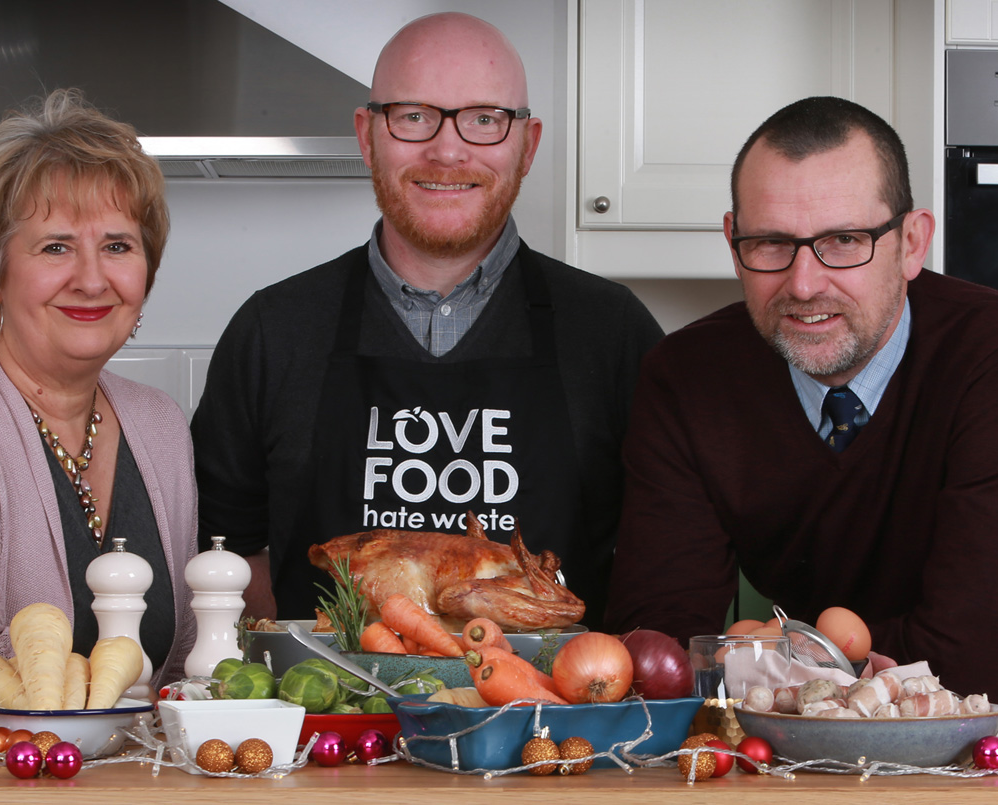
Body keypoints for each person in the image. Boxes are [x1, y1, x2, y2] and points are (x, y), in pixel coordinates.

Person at [606, 96, 998, 701]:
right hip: (815, 749)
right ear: (733, 244)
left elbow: (971, 654)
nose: (804, 284)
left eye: (844, 240)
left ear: (912, 243)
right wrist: (804, 668)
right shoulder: (686, 377)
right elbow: (658, 653)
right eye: (771, 244)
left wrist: (762, 662)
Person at [191, 12, 662, 626]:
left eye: (484, 119)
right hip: (333, 718)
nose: (446, 149)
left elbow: (661, 556)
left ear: (528, 144)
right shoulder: (273, 332)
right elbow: (231, 551)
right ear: (367, 135)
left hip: (551, 718)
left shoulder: (612, 333)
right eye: (413, 116)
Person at [0, 89, 197, 712]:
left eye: (118, 246)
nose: (93, 278)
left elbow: (177, 670)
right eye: (55, 246)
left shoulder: (160, 426)